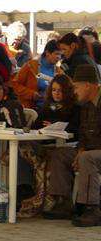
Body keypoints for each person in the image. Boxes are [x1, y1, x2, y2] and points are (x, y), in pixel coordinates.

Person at [14, 74, 80, 217]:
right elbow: (37, 127)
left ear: (67, 92)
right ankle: (23, 189)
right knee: (21, 146)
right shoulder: (47, 107)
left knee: (57, 156)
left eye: (60, 91)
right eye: (54, 90)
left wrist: (57, 127)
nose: (56, 93)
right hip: (46, 144)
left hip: (66, 146)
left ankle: (60, 201)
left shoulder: (75, 108)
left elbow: (76, 129)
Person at [43, 65, 101, 226]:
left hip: (95, 153)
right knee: (60, 153)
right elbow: (83, 133)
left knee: (88, 158)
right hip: (89, 150)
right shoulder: (86, 105)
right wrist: (81, 149)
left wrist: (85, 152)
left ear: (88, 85)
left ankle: (92, 208)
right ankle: (64, 201)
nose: (74, 91)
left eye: (76, 86)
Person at [10, 39, 61, 110]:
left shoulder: (59, 71)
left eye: (60, 54)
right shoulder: (31, 66)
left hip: (50, 110)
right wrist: (31, 94)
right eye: (56, 54)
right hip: (31, 109)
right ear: (47, 53)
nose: (59, 57)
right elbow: (15, 84)